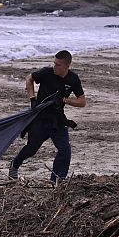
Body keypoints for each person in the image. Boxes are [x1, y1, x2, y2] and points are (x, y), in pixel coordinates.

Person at [8, 50, 86, 183]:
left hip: (58, 119)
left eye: (58, 65)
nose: (54, 67)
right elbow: (29, 78)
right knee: (31, 149)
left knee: (65, 150)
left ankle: (56, 180)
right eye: (54, 63)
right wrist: (32, 99)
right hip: (40, 118)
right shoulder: (46, 72)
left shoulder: (73, 79)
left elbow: (82, 102)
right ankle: (14, 165)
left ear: (67, 66)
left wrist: (65, 100)